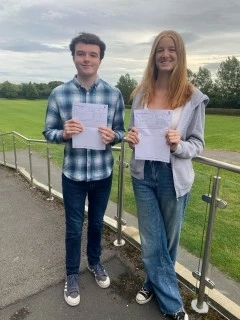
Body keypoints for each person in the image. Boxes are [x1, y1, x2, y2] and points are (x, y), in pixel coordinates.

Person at [125, 30, 209, 320]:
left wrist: (178, 144)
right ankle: (173, 306)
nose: (165, 54)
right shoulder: (140, 94)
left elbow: (197, 144)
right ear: (154, 55)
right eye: (160, 49)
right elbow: (132, 132)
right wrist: (131, 137)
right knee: (151, 239)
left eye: (171, 49)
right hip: (143, 173)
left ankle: (151, 283)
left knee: (168, 242)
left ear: (180, 54)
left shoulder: (192, 98)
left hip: (174, 176)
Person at [43, 32, 125, 307]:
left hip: (103, 173)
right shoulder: (59, 93)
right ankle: (71, 274)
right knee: (73, 228)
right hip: (74, 175)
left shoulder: (113, 94)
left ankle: (94, 262)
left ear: (100, 59)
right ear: (74, 57)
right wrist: (63, 134)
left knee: (98, 224)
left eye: (92, 54)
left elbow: (122, 131)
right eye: (81, 53)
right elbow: (48, 131)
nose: (86, 59)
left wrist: (113, 136)